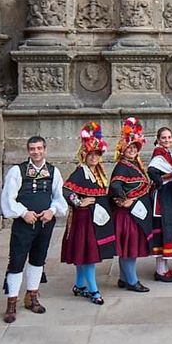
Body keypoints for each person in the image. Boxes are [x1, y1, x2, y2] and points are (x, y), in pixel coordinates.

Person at [0, 135, 66, 323]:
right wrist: (23, 213)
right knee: (17, 260)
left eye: (39, 148)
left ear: (45, 149)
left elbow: (59, 197)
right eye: (32, 149)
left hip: (45, 223)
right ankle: (11, 302)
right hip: (24, 224)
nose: (36, 152)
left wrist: (52, 211)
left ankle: (32, 296)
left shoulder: (53, 171)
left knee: (38, 260)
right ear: (28, 151)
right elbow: (8, 198)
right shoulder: (17, 171)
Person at [61, 122, 115, 305]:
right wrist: (79, 202)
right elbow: (66, 191)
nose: (94, 157)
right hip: (83, 219)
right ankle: (94, 290)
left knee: (84, 253)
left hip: (94, 220)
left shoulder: (98, 172)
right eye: (91, 154)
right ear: (85, 155)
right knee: (88, 255)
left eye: (97, 154)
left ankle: (79, 285)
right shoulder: (80, 172)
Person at [110, 117, 153, 293]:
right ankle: (132, 281)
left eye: (135, 148)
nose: (133, 150)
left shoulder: (135, 165)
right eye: (129, 148)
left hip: (135, 213)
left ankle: (123, 277)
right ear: (123, 150)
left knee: (127, 247)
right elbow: (115, 185)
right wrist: (123, 199)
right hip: (128, 215)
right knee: (130, 248)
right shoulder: (122, 166)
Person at [148, 127, 172, 282]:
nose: (167, 140)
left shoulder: (167, 153)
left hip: (169, 195)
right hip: (162, 197)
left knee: (167, 230)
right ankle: (160, 271)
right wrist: (163, 181)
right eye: (164, 138)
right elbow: (152, 172)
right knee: (162, 231)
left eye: (169, 137)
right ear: (158, 139)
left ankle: (164, 268)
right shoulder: (158, 153)